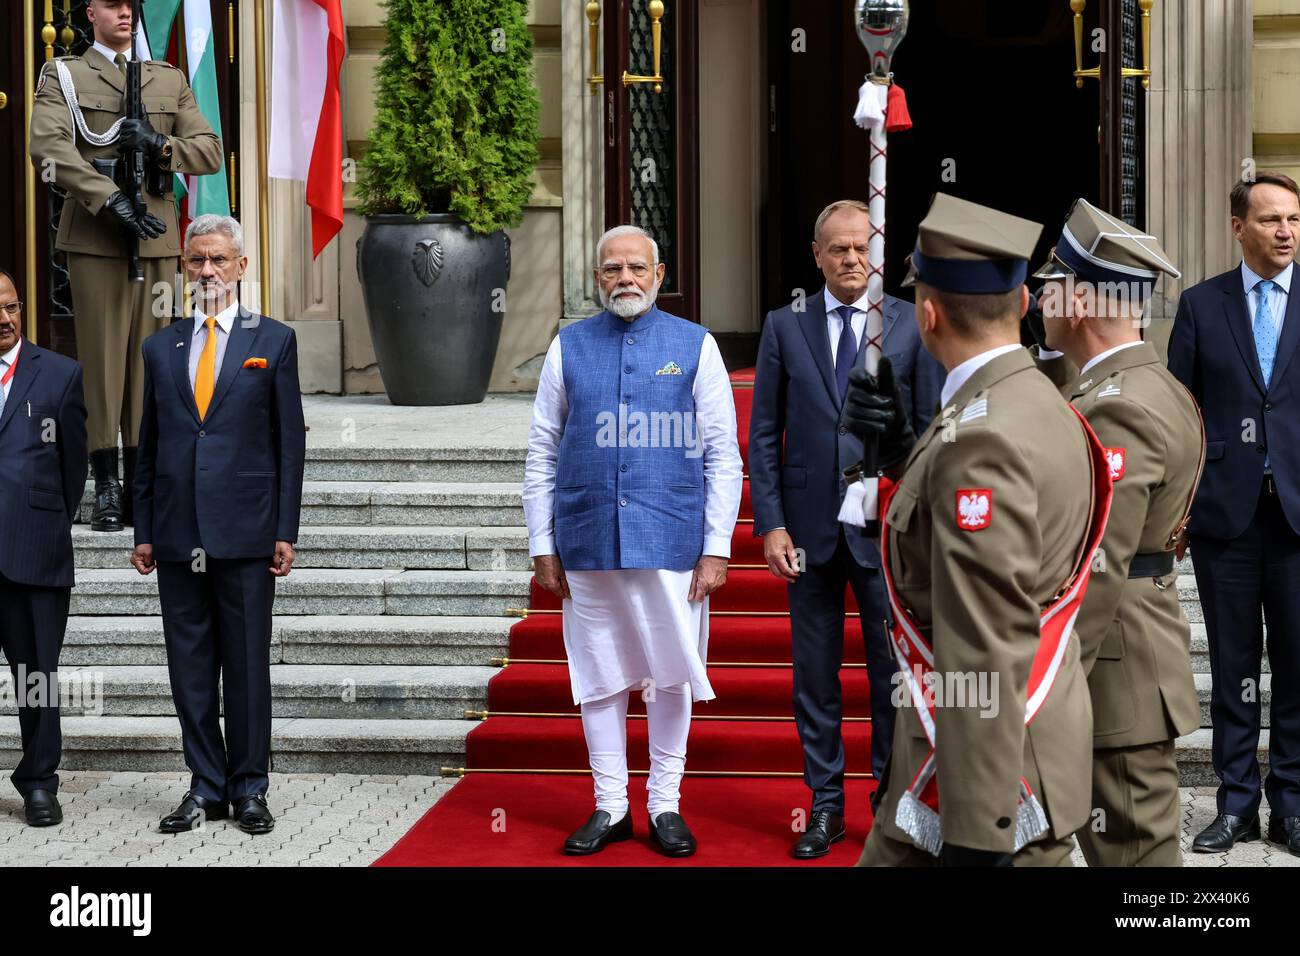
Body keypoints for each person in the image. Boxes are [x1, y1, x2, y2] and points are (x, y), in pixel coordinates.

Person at [850, 193, 1108, 867]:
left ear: (927, 315)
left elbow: (985, 642)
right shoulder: (1033, 399)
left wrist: (978, 830)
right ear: (1023, 303)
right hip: (995, 750)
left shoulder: (980, 436)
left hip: (984, 777)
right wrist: (909, 451)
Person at [523, 225, 743, 857]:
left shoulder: (695, 345)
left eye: (636, 268)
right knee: (599, 676)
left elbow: (722, 455)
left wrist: (717, 546)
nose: (625, 278)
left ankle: (665, 804)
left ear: (659, 273)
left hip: (670, 539)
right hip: (587, 540)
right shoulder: (568, 346)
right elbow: (542, 450)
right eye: (612, 269)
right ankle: (611, 806)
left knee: (671, 675)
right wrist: (543, 541)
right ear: (598, 279)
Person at [748, 198, 943, 858]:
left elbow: (929, 434)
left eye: (863, 247)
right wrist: (770, 524)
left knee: (892, 675)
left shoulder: (910, 326)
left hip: (886, 535)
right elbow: (765, 434)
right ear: (818, 256)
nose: (853, 259)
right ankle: (825, 804)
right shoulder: (785, 324)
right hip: (807, 533)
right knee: (816, 676)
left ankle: (888, 805)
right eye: (839, 249)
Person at [1030, 199, 1202, 865]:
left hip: (1111, 664)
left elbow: (1098, 564)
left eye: (1052, 287)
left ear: (1080, 300)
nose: (1040, 300)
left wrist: (1043, 676)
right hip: (1131, 653)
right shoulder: (1144, 386)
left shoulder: (1119, 409)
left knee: (1132, 855)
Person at [130, 215, 305, 835]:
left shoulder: (274, 340)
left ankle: (250, 788)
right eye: (196, 260)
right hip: (177, 535)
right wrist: (142, 529)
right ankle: (205, 787)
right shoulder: (161, 346)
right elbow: (148, 446)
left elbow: (290, 445)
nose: (207, 271)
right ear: (184, 267)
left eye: (218, 260)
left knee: (248, 668)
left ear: (241, 266)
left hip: (248, 532)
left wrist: (286, 529)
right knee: (191, 670)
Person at [29, 0, 221, 532]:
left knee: (150, 362)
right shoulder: (63, 75)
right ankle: (105, 486)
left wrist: (160, 145)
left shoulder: (167, 78)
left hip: (155, 239)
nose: (125, 14)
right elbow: (46, 146)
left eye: (130, 6)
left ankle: (142, 482)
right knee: (103, 358)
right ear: (89, 12)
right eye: (112, 5)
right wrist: (107, 197)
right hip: (97, 236)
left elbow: (210, 150)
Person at [1168, 172, 1300, 856]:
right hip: (1227, 518)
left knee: (1299, 669)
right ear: (1237, 226)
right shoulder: (1200, 305)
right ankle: (1237, 806)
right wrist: (1179, 507)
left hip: (1299, 521)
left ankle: (1294, 805)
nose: (1285, 231)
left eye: (1294, 220)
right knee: (1233, 668)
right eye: (1272, 219)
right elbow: (1180, 417)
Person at [0, 268, 88, 826]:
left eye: (11, 307)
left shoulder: (59, 374)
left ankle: (38, 781)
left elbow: (72, 470)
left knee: (36, 677)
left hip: (33, 552)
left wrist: (39, 521)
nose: (5, 320)